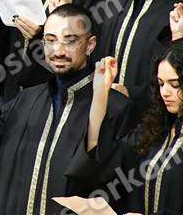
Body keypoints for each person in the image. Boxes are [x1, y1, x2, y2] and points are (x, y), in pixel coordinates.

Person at [0, 4, 131, 215]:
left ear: (90, 45)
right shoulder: (26, 99)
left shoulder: (115, 106)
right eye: (50, 40)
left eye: (70, 41)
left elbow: (108, 180)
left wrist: (99, 99)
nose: (58, 51)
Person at [74, 39, 183, 214]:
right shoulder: (156, 130)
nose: (165, 92)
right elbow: (107, 165)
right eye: (161, 84)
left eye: (175, 84)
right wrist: (101, 95)